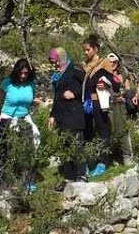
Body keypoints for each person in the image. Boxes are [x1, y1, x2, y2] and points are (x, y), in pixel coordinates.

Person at [0, 57, 44, 195]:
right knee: (3, 151)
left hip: (24, 117)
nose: (23, 76)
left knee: (29, 148)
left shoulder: (31, 84)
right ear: (16, 72)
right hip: (7, 118)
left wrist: (38, 102)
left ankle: (28, 179)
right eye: (21, 73)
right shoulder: (8, 83)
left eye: (26, 73)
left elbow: (28, 99)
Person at [47, 47, 87, 188]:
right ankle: (69, 176)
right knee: (65, 146)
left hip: (74, 113)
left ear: (61, 58)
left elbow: (87, 84)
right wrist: (52, 116)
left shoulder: (75, 69)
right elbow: (56, 97)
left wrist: (74, 93)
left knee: (76, 145)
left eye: (56, 61)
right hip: (62, 115)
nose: (55, 65)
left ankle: (81, 174)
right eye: (53, 62)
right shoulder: (57, 76)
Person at [81, 35, 116, 178]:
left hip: (99, 102)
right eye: (84, 50)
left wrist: (106, 84)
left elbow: (114, 81)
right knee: (88, 131)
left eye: (88, 49)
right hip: (87, 102)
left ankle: (105, 161)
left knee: (103, 130)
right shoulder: (85, 64)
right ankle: (91, 160)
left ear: (95, 49)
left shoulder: (104, 62)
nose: (85, 52)